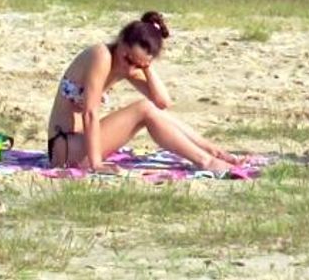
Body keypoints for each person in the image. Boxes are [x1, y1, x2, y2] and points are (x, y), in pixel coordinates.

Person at [46, 11, 241, 173]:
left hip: (82, 145)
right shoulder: (102, 56)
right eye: (128, 59)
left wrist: (146, 67)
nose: (129, 67)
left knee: (150, 109)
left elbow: (162, 103)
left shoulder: (126, 67)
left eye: (136, 64)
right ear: (121, 41)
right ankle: (205, 161)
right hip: (65, 148)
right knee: (143, 109)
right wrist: (96, 164)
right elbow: (90, 112)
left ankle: (211, 151)